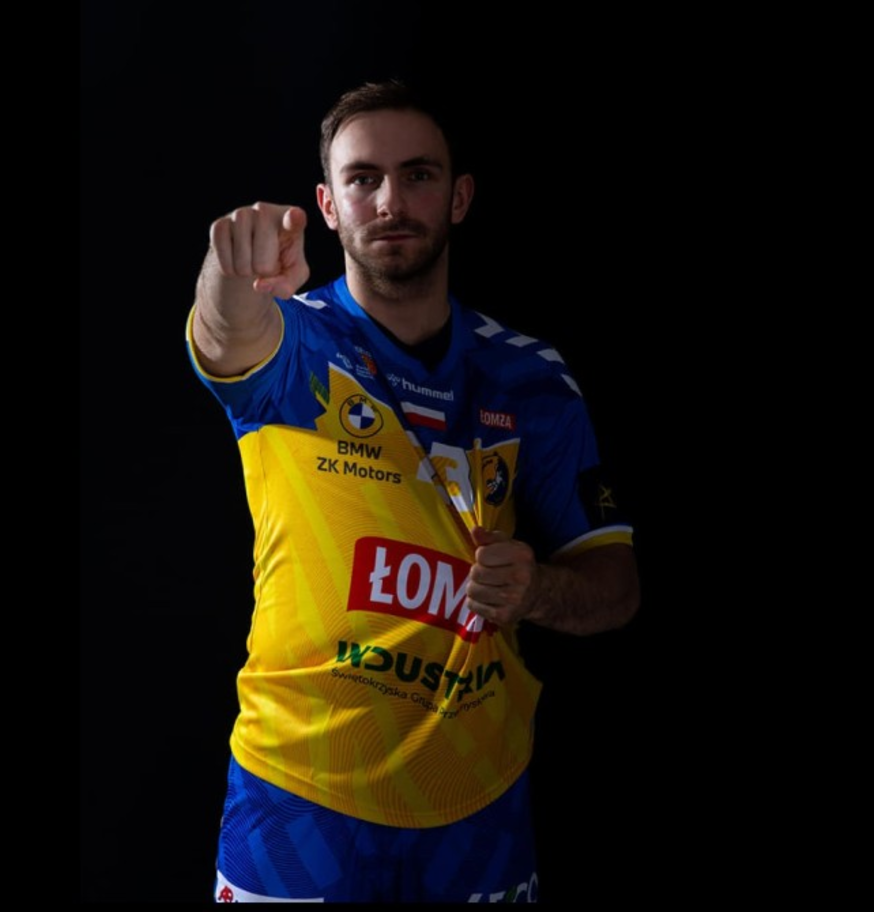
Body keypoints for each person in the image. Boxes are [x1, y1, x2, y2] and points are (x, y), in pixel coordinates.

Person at [186, 80, 639, 903]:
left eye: (418, 175)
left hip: (479, 801)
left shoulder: (531, 378)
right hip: (299, 795)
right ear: (329, 205)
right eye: (364, 179)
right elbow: (226, 335)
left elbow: (615, 587)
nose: (391, 201)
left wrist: (537, 589)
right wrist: (231, 269)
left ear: (459, 197)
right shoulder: (293, 342)